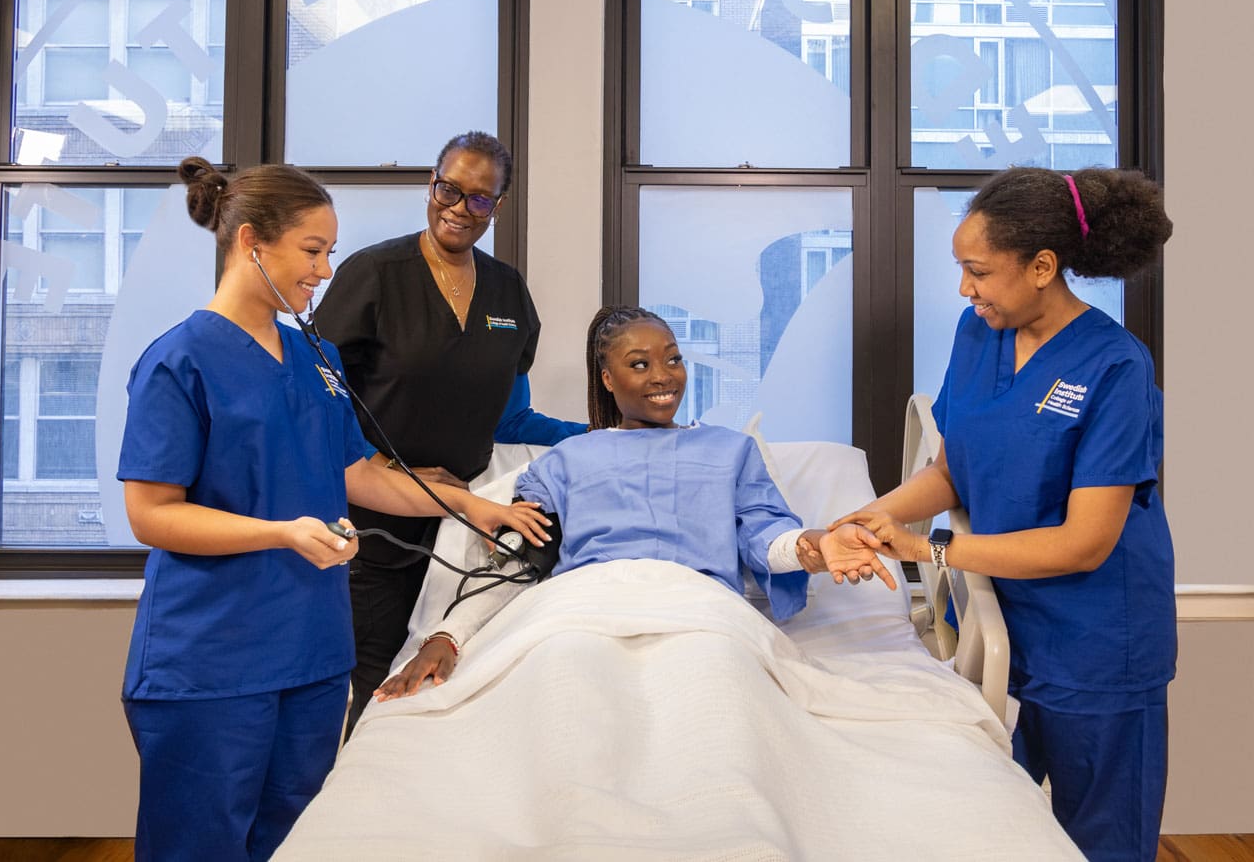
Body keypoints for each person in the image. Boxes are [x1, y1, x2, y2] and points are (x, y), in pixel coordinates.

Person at [118, 157, 550, 862]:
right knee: (199, 845)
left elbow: (356, 473)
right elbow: (152, 514)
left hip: (313, 650)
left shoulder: (314, 357)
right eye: (312, 252)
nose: (323, 273)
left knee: (300, 839)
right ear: (252, 242)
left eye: (330, 253)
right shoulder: (181, 361)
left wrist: (473, 506)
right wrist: (280, 533)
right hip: (215, 656)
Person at [827, 165, 1175, 862]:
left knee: (1098, 842)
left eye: (979, 271)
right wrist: (867, 519)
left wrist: (927, 551)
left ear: (1042, 266)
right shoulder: (978, 334)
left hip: (1098, 645)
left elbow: (1084, 544)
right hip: (999, 628)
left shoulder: (1114, 367)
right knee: (990, 832)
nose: (965, 289)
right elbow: (953, 470)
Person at [375, 305, 895, 700]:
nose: (663, 375)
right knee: (564, 678)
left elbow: (765, 536)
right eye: (640, 364)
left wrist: (815, 545)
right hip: (583, 611)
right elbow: (519, 562)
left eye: (672, 359)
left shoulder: (730, 451)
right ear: (607, 379)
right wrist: (448, 636)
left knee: (716, 681)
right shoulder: (567, 461)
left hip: (700, 610)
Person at [312, 130, 586, 733]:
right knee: (367, 675)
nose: (459, 209)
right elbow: (315, 401)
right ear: (430, 185)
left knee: (453, 681)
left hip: (465, 524)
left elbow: (511, 418)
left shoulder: (508, 291)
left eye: (480, 199)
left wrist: (605, 435)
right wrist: (380, 466)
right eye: (449, 190)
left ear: (498, 206)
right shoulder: (374, 274)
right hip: (375, 522)